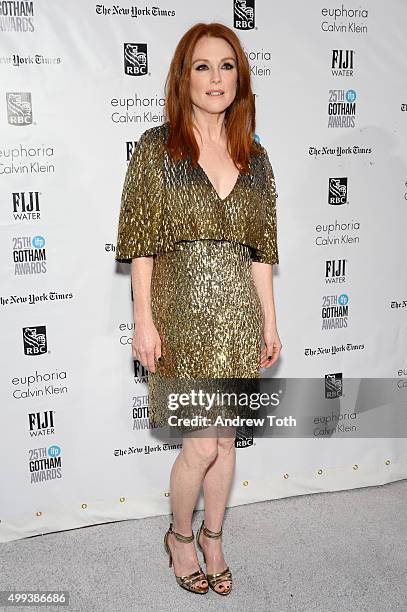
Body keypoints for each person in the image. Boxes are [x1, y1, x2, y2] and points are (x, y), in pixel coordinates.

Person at [115, 22, 282, 596]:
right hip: (181, 310)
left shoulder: (254, 156)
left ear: (241, 77)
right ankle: (180, 538)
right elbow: (140, 243)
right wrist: (143, 319)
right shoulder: (156, 148)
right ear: (183, 77)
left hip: (238, 312)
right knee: (202, 442)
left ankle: (214, 535)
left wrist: (270, 321)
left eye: (227, 66)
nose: (216, 78)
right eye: (203, 66)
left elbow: (262, 251)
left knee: (228, 441)